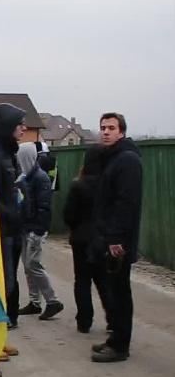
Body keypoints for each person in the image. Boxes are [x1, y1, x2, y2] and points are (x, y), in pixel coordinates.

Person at [90, 113, 142, 363]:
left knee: (120, 293)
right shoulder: (112, 158)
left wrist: (116, 240)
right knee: (114, 290)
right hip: (109, 237)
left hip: (117, 241)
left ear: (121, 131)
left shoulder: (127, 160)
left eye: (111, 128)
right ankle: (115, 339)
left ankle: (120, 345)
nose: (106, 132)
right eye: (103, 128)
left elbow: (126, 203)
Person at [0, 103, 26, 359]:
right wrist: (9, 214)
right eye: (19, 124)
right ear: (7, 126)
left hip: (11, 228)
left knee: (7, 286)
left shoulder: (7, 150)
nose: (24, 128)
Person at [63, 146, 112, 334]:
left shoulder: (78, 185)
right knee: (103, 280)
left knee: (82, 281)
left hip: (81, 239)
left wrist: (75, 227)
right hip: (101, 238)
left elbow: (69, 214)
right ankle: (112, 319)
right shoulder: (108, 184)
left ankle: (84, 321)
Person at [16, 142, 64, 320]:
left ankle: (52, 301)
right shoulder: (25, 177)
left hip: (35, 228)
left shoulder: (40, 178)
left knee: (33, 265)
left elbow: (44, 207)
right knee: (28, 266)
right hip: (27, 226)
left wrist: (38, 231)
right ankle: (34, 302)